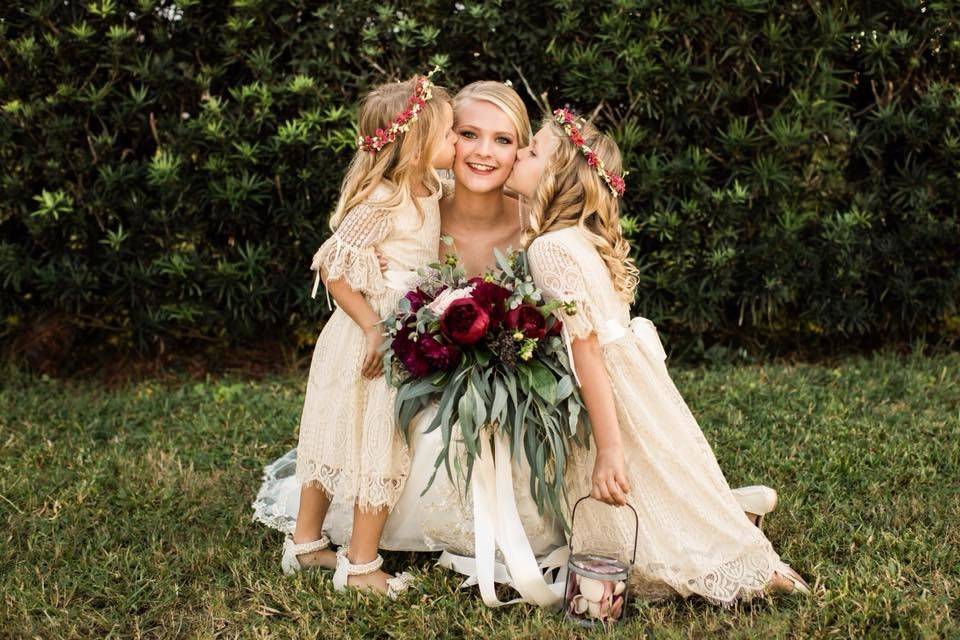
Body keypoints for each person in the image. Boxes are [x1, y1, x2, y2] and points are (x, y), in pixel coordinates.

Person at [509, 107, 810, 604]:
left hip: (607, 389)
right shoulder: (580, 238)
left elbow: (584, 351)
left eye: (532, 150)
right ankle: (736, 534)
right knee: (659, 478)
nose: (519, 152)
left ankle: (743, 563)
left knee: (629, 478)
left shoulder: (550, 248)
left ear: (558, 176)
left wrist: (607, 447)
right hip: (634, 381)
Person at [280, 69, 457, 598]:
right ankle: (359, 567)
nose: (456, 142)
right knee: (372, 443)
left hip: (390, 326)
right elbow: (332, 266)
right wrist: (374, 326)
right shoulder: (383, 199)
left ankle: (305, 544)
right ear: (419, 143)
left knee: (337, 439)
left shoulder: (430, 185)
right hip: (373, 337)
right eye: (449, 134)